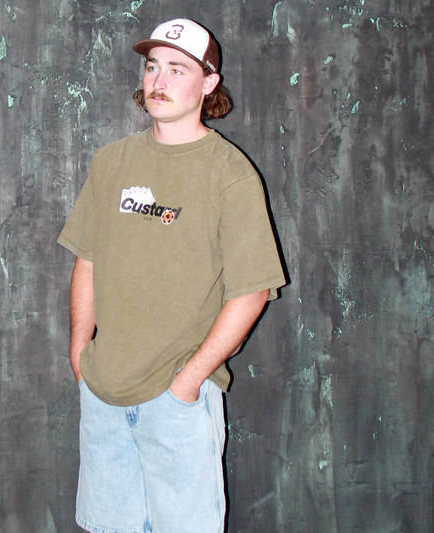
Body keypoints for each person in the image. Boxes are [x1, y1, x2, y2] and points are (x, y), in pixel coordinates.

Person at [58, 18, 286, 533]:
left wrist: (188, 381)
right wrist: (80, 353)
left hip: (177, 401)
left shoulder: (230, 174)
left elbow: (252, 292)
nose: (158, 81)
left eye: (177, 69)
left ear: (209, 83)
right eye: (152, 66)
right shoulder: (112, 162)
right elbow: (87, 260)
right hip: (103, 391)